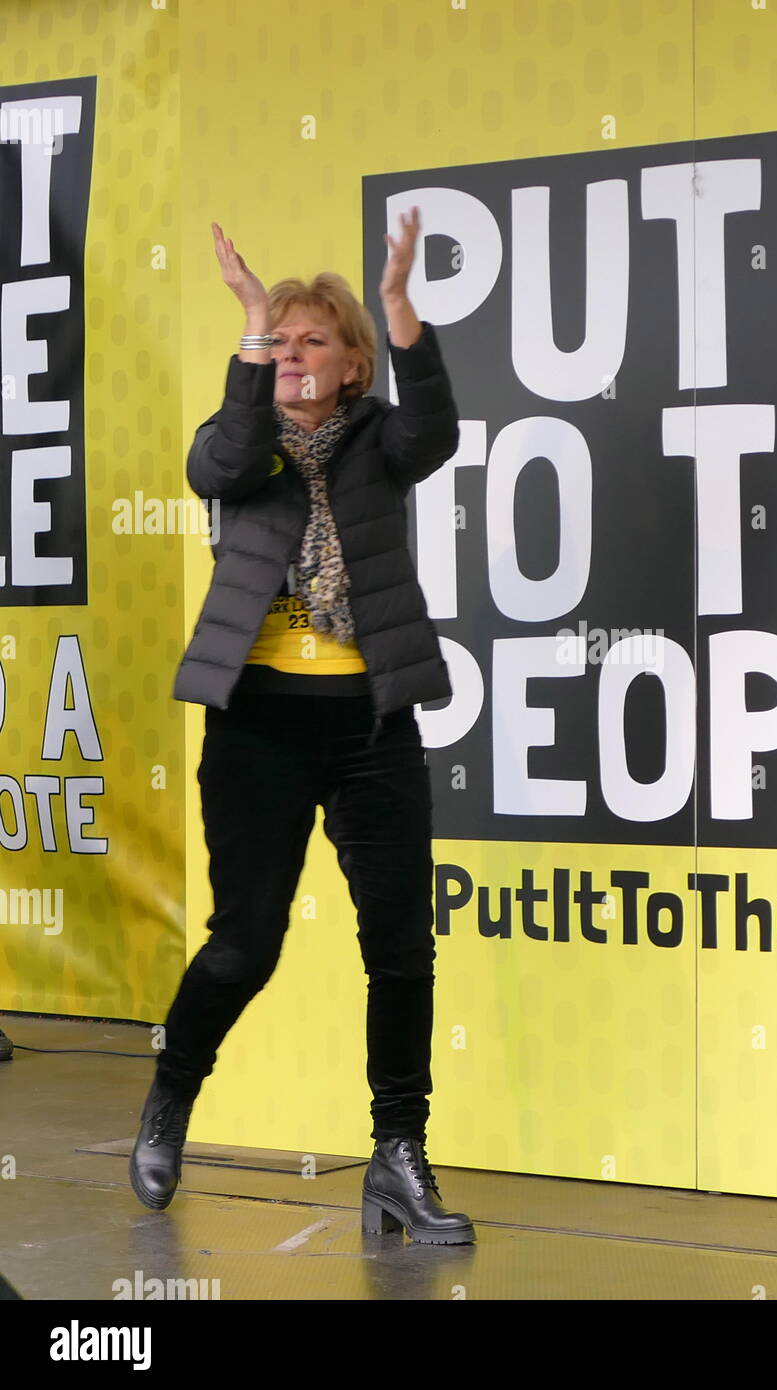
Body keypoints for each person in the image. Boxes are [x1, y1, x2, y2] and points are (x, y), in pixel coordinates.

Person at [129, 211, 474, 1244]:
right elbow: (225, 461)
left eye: (311, 338)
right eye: (276, 341)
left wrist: (403, 303)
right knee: (245, 944)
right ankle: (171, 1095)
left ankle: (397, 1156)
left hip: (372, 721)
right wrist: (248, 319)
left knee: (401, 946)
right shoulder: (232, 442)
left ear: (353, 363)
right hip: (259, 728)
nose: (291, 354)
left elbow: (437, 429)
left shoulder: (382, 440)